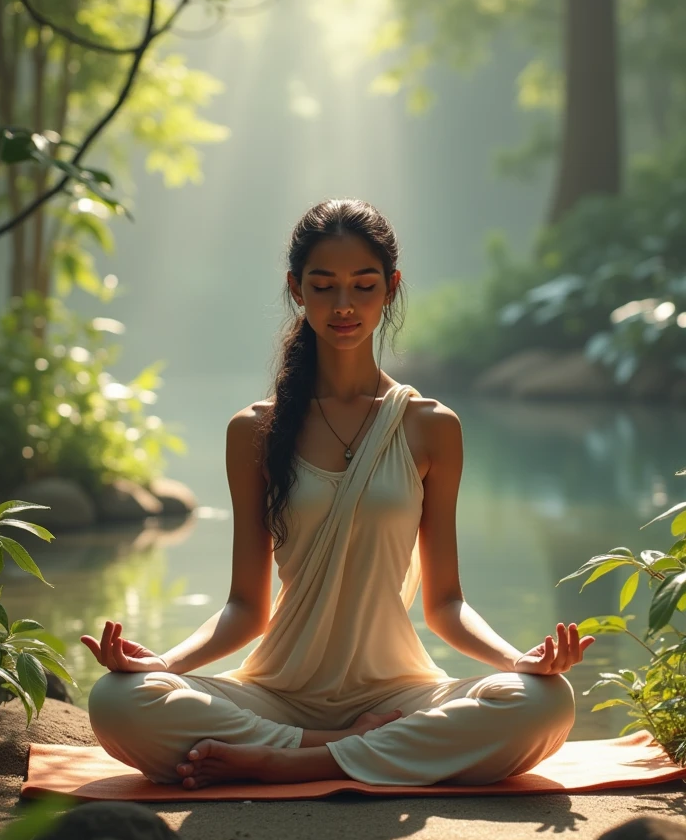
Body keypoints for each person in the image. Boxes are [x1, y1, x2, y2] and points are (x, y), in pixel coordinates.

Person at [81, 197, 594, 790]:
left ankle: (291, 762)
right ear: (296, 289)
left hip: (401, 693)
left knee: (546, 703)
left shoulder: (430, 426)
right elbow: (247, 610)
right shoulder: (255, 429)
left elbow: (446, 604)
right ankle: (338, 747)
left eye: (363, 285)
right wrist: (161, 664)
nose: (344, 305)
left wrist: (517, 661)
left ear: (391, 288)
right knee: (117, 700)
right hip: (279, 695)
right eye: (323, 286)